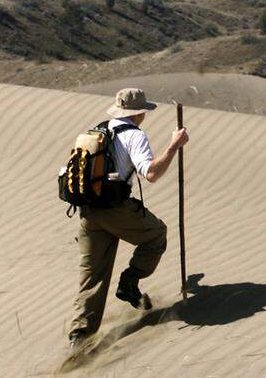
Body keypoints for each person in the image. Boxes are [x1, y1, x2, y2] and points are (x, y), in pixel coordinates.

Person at [68, 88, 189, 348]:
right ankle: (129, 282)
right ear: (140, 112)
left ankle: (79, 337)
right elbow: (151, 174)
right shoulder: (134, 135)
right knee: (156, 235)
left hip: (88, 213)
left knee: (92, 277)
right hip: (116, 209)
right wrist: (173, 146)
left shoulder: (97, 130)